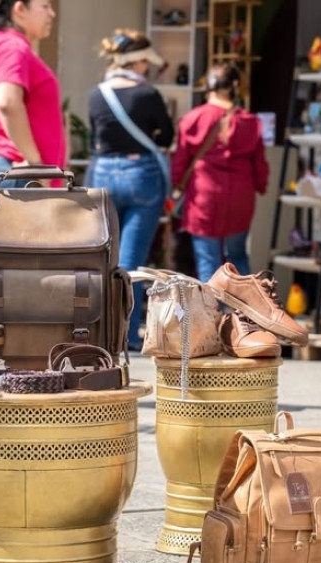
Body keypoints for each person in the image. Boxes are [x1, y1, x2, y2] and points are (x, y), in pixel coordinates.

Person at [86, 29, 173, 352]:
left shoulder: (97, 94)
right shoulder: (146, 94)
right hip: (142, 176)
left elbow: (98, 135)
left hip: (104, 174)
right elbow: (165, 137)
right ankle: (127, 333)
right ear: (137, 62)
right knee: (133, 261)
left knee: (103, 257)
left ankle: (99, 330)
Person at [171, 63, 269, 282]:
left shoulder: (193, 119)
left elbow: (180, 163)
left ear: (208, 86)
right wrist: (261, 186)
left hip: (203, 196)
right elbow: (260, 165)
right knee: (238, 256)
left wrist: (178, 185)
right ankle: (245, 312)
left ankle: (213, 314)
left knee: (208, 262)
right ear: (235, 86)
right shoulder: (251, 122)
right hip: (240, 197)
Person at [0, 0, 64, 189]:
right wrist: (34, 164)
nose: (52, 14)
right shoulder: (13, 47)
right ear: (19, 10)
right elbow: (7, 101)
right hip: (12, 170)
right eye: (44, 6)